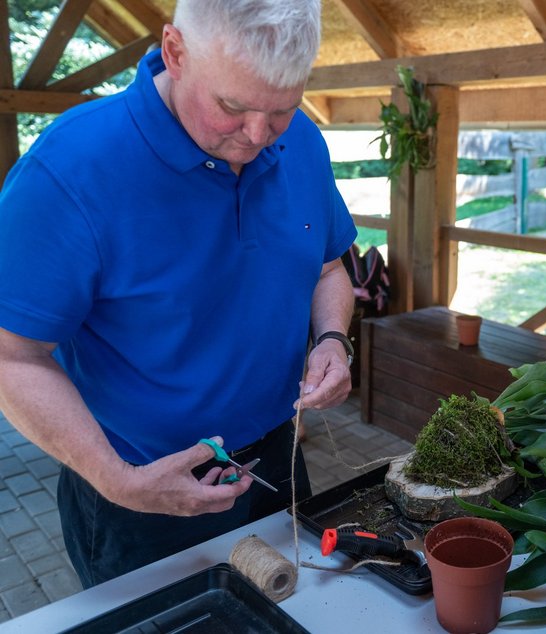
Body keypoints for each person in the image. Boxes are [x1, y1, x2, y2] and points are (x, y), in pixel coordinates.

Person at [0, 0, 357, 587]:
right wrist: (118, 480)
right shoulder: (69, 170)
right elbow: (15, 356)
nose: (257, 136)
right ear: (175, 52)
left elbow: (327, 268)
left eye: (283, 111)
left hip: (276, 459)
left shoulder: (304, 144)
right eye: (232, 107)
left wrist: (333, 340)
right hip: (141, 485)